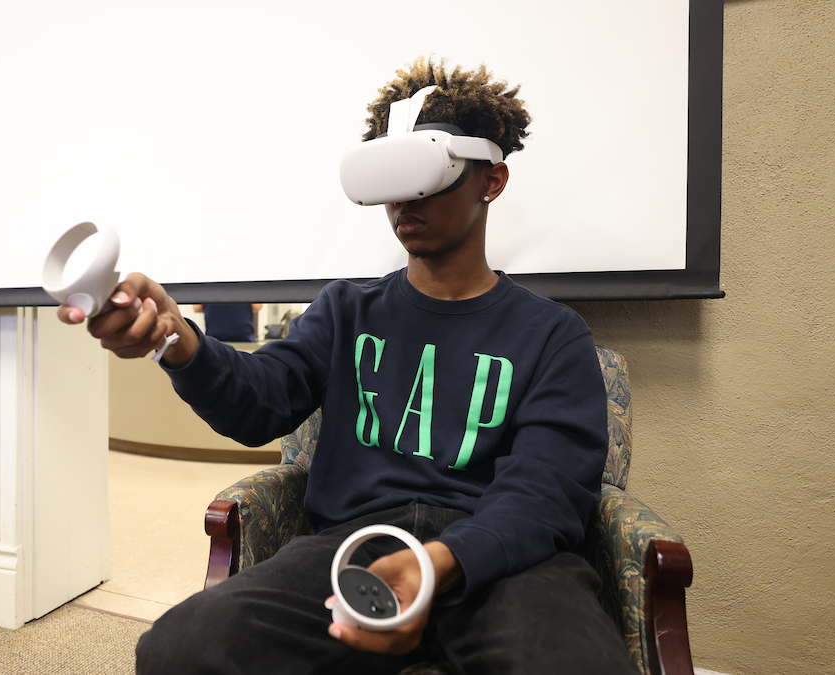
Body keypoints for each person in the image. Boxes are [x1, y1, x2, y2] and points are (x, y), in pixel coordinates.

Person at [60, 58, 632, 674]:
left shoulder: (552, 334)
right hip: (352, 545)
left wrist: (438, 564)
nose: (401, 201)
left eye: (425, 175)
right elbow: (260, 402)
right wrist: (175, 339)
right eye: (388, 179)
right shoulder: (345, 310)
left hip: (502, 556)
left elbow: (546, 491)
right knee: (182, 648)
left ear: (491, 181)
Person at [191, 303, 264, 342]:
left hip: (214, 337)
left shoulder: (208, 279)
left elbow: (197, 308)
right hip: (243, 336)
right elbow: (257, 307)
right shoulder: (246, 279)